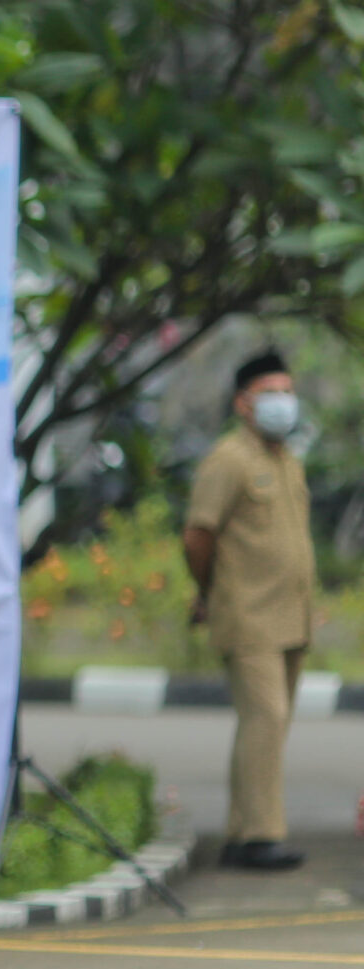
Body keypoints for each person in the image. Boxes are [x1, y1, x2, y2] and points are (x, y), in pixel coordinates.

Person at [183, 349, 314, 872]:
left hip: (291, 616)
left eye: (287, 391)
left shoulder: (286, 459)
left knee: (267, 728)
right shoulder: (228, 460)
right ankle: (261, 836)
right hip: (247, 614)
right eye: (269, 393)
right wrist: (209, 589)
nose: (282, 402)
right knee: (266, 717)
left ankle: (241, 834)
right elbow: (198, 534)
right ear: (242, 403)